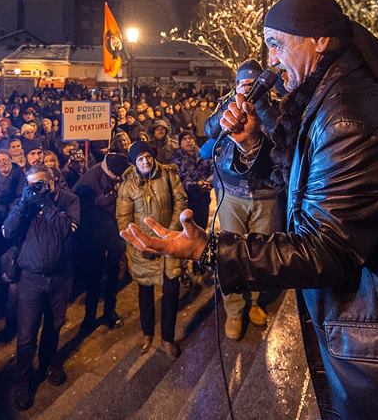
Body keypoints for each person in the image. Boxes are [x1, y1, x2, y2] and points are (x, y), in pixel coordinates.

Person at [121, 0, 378, 419]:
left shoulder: (349, 117)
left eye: (276, 44)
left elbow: (325, 250)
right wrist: (252, 143)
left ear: (319, 40)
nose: (270, 60)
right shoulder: (337, 99)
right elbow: (314, 184)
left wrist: (207, 249)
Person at [203, 58, 282, 339]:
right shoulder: (227, 103)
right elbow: (209, 130)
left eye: (252, 84)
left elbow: (282, 135)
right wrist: (229, 108)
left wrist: (261, 106)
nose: (247, 88)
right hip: (232, 193)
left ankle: (255, 302)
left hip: (266, 194)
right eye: (242, 84)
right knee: (231, 253)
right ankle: (234, 310)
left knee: (259, 254)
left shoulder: (276, 107)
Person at [1, 164, 79, 411]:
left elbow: (65, 230)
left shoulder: (69, 200)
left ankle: (48, 363)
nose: (37, 188)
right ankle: (23, 379)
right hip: (31, 279)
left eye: (41, 183)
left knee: (54, 325)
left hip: (59, 278)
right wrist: (24, 204)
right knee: (26, 333)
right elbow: (7, 232)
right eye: (32, 185)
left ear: (52, 181)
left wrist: (46, 204)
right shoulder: (25, 203)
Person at [116, 141, 188, 359]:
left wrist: (169, 234)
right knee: (145, 292)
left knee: (171, 292)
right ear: (134, 162)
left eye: (147, 156)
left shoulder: (168, 175)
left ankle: (167, 338)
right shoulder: (128, 186)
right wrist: (140, 243)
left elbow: (180, 202)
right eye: (140, 159)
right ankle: (147, 332)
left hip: (169, 245)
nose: (145, 162)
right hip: (143, 249)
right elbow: (124, 219)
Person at [72, 153, 129, 333]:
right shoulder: (90, 177)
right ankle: (89, 316)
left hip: (116, 231)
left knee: (113, 272)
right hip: (94, 233)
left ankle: (110, 310)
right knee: (94, 276)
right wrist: (98, 201)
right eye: (116, 177)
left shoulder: (125, 172)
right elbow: (77, 202)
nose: (118, 179)